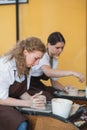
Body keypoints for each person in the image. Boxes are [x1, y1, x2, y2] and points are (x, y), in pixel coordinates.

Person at [0, 37, 46, 130]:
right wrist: (28, 103)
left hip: (8, 101)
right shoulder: (6, 66)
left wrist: (34, 100)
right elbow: (2, 99)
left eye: (39, 60)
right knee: (21, 124)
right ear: (25, 52)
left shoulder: (27, 66)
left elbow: (20, 92)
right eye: (36, 58)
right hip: (1, 102)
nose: (37, 63)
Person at [28, 32, 85, 101]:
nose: (60, 51)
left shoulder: (54, 60)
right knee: (49, 98)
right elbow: (48, 72)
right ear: (49, 45)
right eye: (57, 48)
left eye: (62, 48)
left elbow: (54, 83)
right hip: (28, 85)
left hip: (37, 84)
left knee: (56, 93)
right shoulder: (42, 55)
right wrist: (72, 73)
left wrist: (65, 89)